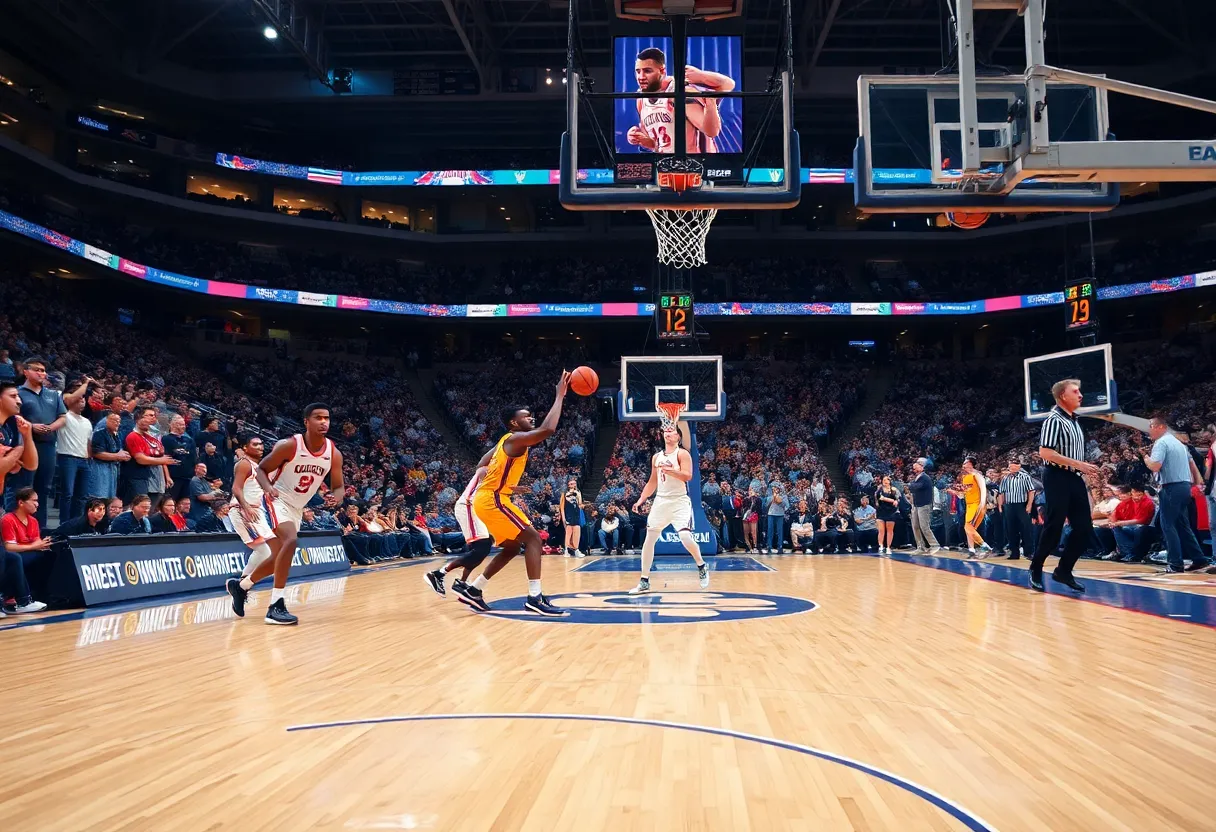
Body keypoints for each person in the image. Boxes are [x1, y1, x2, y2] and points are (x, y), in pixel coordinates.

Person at [452, 371, 571, 616]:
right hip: (493, 500)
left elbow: (482, 464)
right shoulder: (515, 439)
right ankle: (534, 598)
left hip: (490, 498)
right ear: (514, 423)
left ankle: (474, 589)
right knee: (534, 539)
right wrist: (560, 395)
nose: (531, 417)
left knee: (512, 548)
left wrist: (503, 483)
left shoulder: (505, 440)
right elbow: (548, 429)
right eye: (526, 416)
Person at [226, 404, 343, 625]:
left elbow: (338, 487)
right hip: (276, 500)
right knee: (290, 541)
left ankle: (241, 586)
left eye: (327, 418)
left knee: (278, 557)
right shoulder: (290, 445)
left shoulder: (333, 454)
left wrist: (336, 497)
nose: (324, 422)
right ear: (306, 421)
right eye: (318, 417)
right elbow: (262, 469)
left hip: (297, 508)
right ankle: (275, 606)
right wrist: (268, 488)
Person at [1028, 379, 1098, 593]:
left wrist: (1080, 468)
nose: (1081, 395)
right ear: (1062, 396)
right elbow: (1045, 452)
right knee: (1054, 524)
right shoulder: (1054, 419)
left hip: (1074, 477)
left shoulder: (1074, 420)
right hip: (1056, 475)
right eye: (1075, 391)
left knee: (1084, 527)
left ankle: (1064, 570)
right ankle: (1036, 568)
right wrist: (1079, 464)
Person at [628, 416, 709, 595]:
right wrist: (641, 499)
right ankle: (644, 581)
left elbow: (688, 476)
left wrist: (672, 471)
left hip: (679, 500)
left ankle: (701, 565)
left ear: (678, 436)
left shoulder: (682, 454)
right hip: (661, 501)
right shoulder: (656, 457)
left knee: (685, 537)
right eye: (665, 430)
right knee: (649, 539)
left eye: (671, 431)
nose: (668, 433)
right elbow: (652, 482)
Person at [628, 48, 736, 154]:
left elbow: (711, 131)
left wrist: (702, 79)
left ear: (662, 71)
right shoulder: (641, 100)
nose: (641, 77)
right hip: (667, 163)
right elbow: (659, 144)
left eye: (647, 71)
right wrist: (641, 139)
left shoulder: (680, 92)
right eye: (638, 71)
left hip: (696, 163)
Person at [1144, 415, 1210, 572]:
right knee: (1182, 525)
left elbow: (1155, 466)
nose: (1148, 430)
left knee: (1168, 525)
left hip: (1171, 487)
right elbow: (1192, 464)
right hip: (1184, 487)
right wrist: (1198, 482)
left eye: (1151, 426)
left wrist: (1146, 458)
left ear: (1161, 427)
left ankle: (1175, 563)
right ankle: (1199, 559)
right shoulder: (1179, 444)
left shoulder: (1161, 442)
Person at [424, 459, 495, 598]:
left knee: (485, 545)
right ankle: (437, 574)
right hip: (468, 506)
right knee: (481, 546)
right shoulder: (488, 470)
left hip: (475, 509)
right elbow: (481, 471)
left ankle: (462, 582)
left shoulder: (498, 475)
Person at [226, 435, 279, 593]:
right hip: (242, 509)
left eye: (261, 444)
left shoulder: (258, 467)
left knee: (274, 552)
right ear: (245, 447)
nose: (260, 447)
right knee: (264, 551)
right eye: (255, 444)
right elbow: (236, 488)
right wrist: (246, 507)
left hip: (257, 510)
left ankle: (240, 586)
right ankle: (241, 585)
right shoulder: (244, 464)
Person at [0, 487, 50, 613]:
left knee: (48, 556)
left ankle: (47, 596)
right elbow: (10, 547)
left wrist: (43, 544)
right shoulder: (8, 519)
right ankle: (20, 600)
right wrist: (34, 546)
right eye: (34, 501)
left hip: (26, 553)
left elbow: (37, 541)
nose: (37, 504)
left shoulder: (33, 521)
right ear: (21, 503)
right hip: (13, 554)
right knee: (16, 559)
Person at [0, 382, 37, 500]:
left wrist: (27, 434)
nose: (19, 401)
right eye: (13, 396)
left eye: (18, 396)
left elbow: (31, 465)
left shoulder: (8, 428)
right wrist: (18, 450)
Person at [951, 458, 991, 557]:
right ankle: (971, 549)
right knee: (969, 528)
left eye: (965, 463)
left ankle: (983, 545)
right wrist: (956, 492)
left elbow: (983, 489)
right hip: (968, 504)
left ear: (970, 464)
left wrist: (982, 503)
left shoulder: (977, 475)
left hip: (977, 504)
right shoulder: (965, 477)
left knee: (968, 526)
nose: (963, 465)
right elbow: (964, 493)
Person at [998, 458, 1036, 560]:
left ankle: (1029, 552)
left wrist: (1029, 505)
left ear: (1019, 466)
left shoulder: (1025, 477)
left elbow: (1031, 491)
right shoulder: (1005, 478)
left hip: (1022, 505)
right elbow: (1001, 493)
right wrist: (1000, 506)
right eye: (1010, 465)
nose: (1011, 467)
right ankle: (1014, 553)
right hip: (1009, 505)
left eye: (1014, 465)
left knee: (1026, 529)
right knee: (1011, 530)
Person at [907, 458, 940, 554]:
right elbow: (913, 488)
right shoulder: (917, 478)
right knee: (915, 526)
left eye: (916, 465)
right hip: (916, 505)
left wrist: (910, 485)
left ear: (922, 467)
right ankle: (920, 547)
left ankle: (935, 545)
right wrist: (911, 485)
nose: (914, 467)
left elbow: (915, 487)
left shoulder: (924, 478)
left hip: (924, 505)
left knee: (924, 526)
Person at [874, 475, 900, 555]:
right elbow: (880, 498)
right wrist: (892, 501)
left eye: (887, 480)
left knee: (890, 531)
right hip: (881, 511)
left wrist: (896, 501)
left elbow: (898, 499)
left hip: (891, 511)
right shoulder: (879, 489)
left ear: (890, 481)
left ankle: (888, 547)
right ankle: (881, 546)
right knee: (881, 530)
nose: (885, 481)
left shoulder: (894, 489)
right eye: (884, 480)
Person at [561, 478, 584, 557]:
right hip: (568, 515)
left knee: (577, 532)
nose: (573, 485)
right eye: (571, 484)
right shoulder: (564, 494)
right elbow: (562, 507)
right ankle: (566, 550)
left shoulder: (578, 493)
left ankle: (576, 549)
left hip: (576, 515)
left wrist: (579, 497)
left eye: (574, 483)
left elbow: (580, 504)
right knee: (568, 533)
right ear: (568, 485)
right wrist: (563, 518)